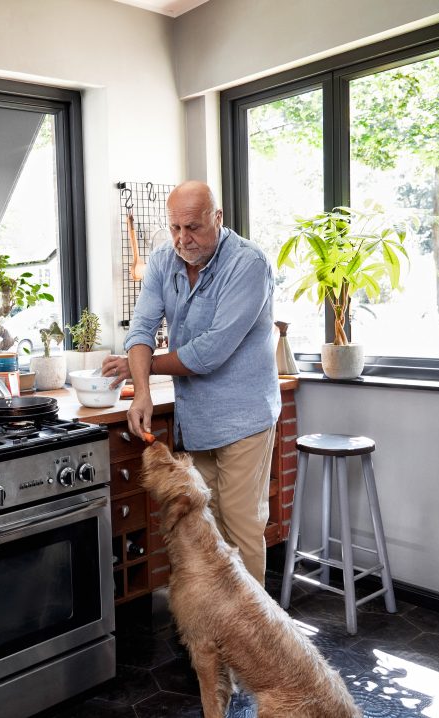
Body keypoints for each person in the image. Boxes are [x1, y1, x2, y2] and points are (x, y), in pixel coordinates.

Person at [102, 180, 280, 584]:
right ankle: (218, 631)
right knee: (206, 531)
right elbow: (142, 327)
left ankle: (252, 640)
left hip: (244, 419)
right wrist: (142, 393)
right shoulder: (164, 259)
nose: (184, 239)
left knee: (241, 528)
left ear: (217, 218)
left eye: (194, 227)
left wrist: (137, 368)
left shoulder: (248, 265)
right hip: (197, 421)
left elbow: (209, 353)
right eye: (176, 228)